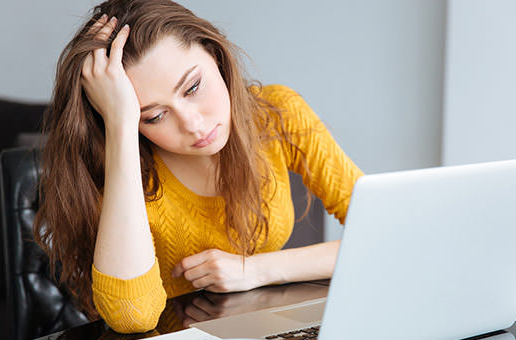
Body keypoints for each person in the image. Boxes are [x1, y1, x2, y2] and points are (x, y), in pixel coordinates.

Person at [33, 0, 363, 334]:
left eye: (192, 87)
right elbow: (132, 317)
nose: (192, 124)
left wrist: (257, 269)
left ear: (215, 55)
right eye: (154, 116)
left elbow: (391, 234)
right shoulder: (116, 170)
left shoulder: (277, 115)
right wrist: (120, 124)